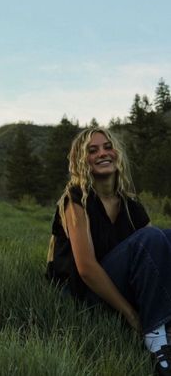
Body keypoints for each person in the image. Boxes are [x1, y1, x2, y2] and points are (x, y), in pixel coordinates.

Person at [46, 126, 171, 376]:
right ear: (82, 161)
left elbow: (159, 253)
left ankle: (165, 321)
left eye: (107, 147)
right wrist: (131, 315)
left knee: (165, 237)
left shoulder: (129, 203)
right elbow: (87, 269)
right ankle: (155, 336)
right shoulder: (76, 199)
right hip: (80, 293)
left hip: (113, 283)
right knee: (151, 238)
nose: (102, 153)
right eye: (92, 151)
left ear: (117, 153)